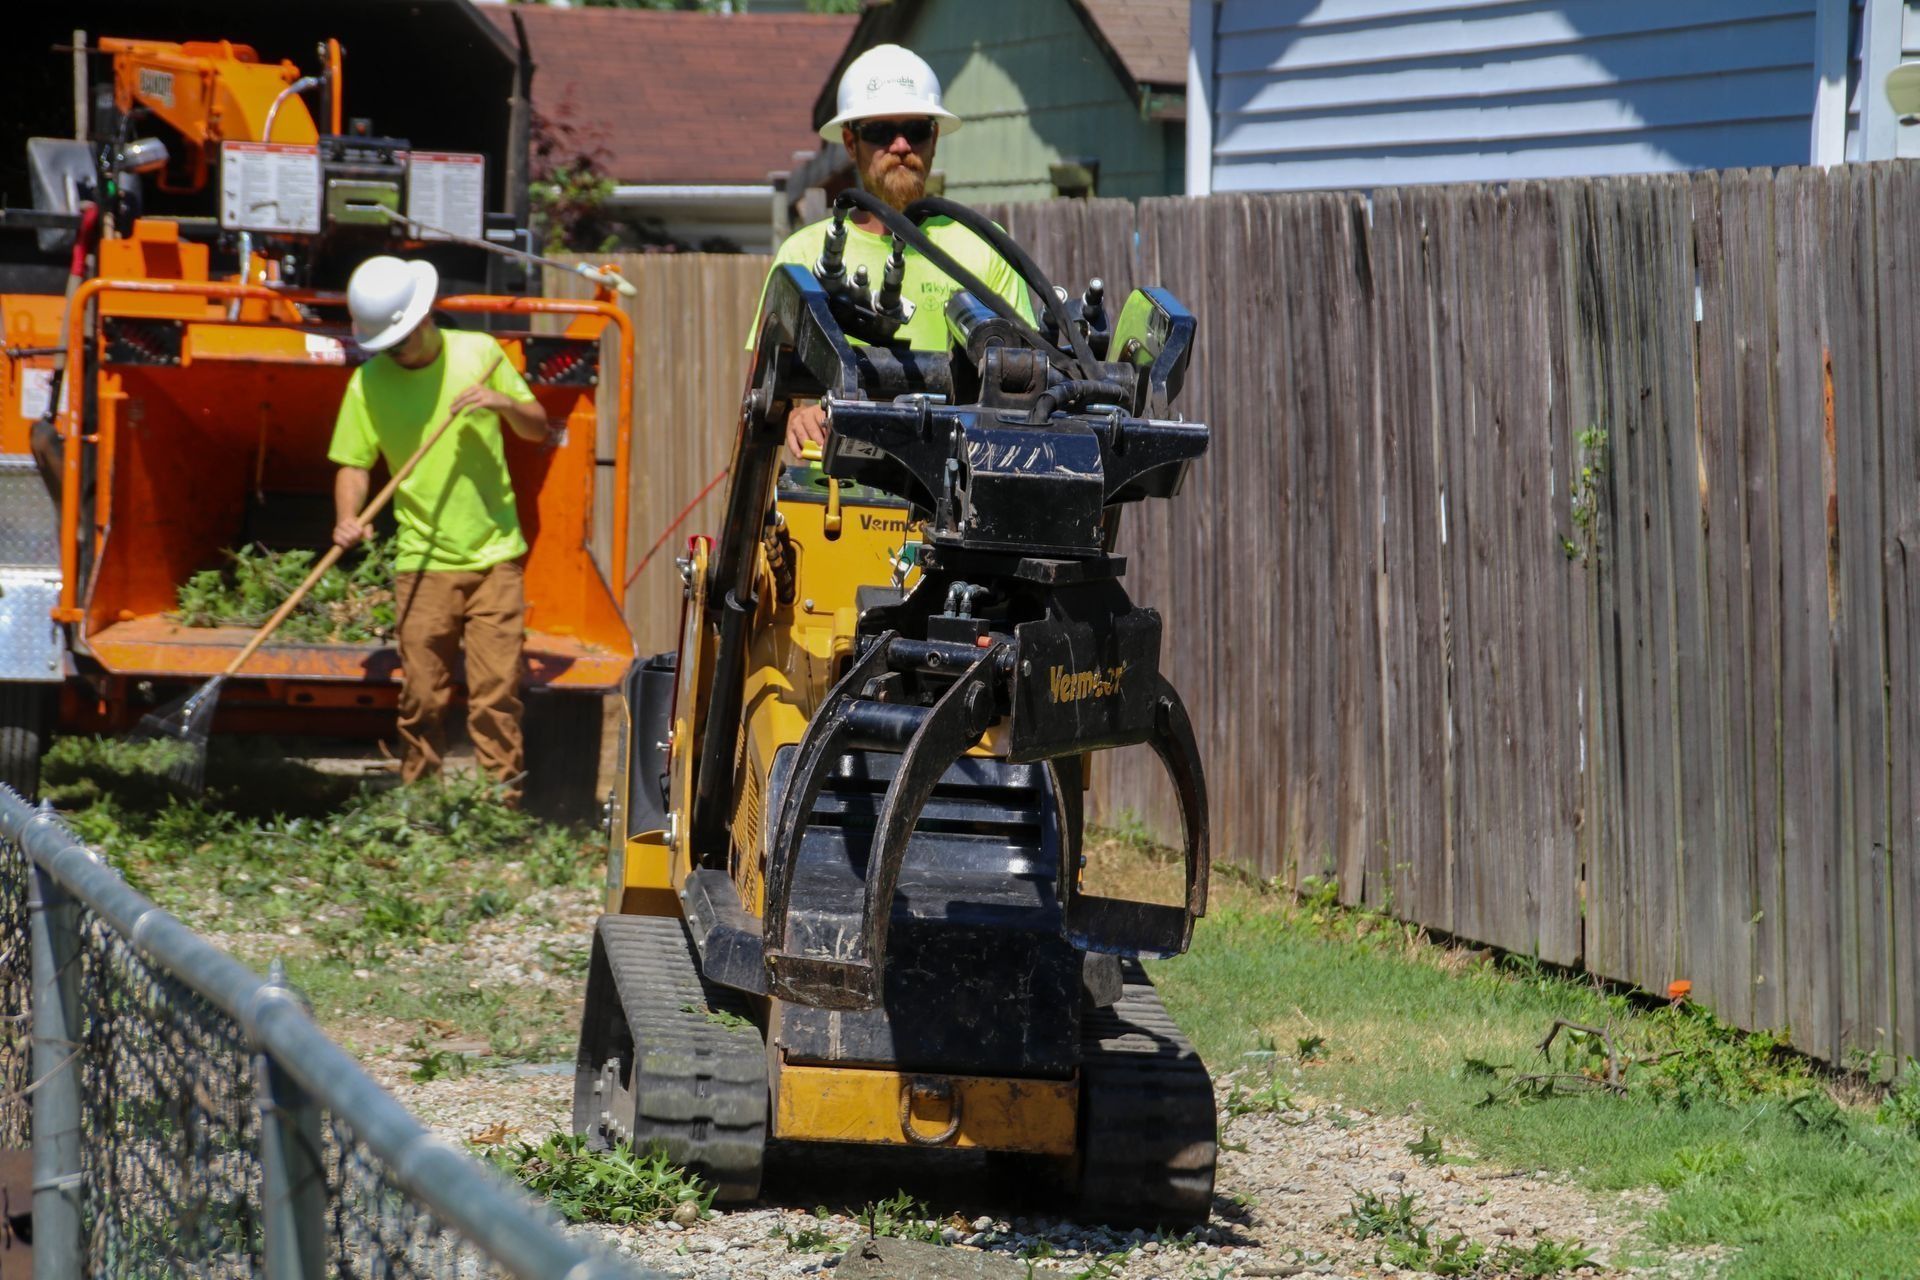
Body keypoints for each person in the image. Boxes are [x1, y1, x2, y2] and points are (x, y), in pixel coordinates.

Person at [328, 255, 551, 804]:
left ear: (426, 316)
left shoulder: (478, 355)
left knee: (495, 696)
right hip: (422, 562)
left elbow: (537, 428)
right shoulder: (367, 384)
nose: (397, 353)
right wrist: (348, 517)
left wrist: (501, 401)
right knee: (423, 696)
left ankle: (502, 807)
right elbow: (354, 464)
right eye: (387, 345)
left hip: (494, 557)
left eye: (401, 340)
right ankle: (420, 808)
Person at [758, 43, 1037, 456]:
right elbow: (760, 392)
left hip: (951, 494)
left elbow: (1025, 384)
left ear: (935, 138)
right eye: (880, 132)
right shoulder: (802, 255)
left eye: (917, 129)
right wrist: (794, 416)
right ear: (851, 143)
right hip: (834, 498)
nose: (902, 145)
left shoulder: (983, 248)